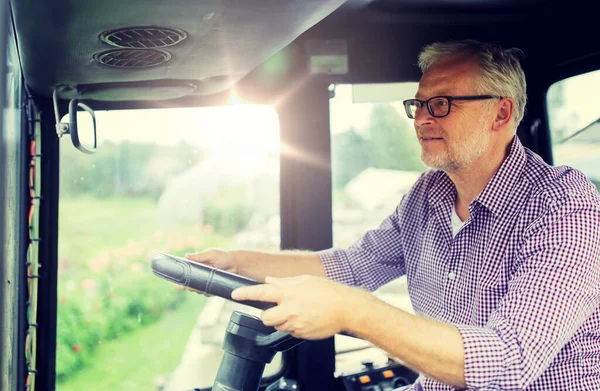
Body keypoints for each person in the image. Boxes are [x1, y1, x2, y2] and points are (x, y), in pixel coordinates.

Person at [186, 40, 600, 390]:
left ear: (501, 113)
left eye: (441, 104)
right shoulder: (426, 195)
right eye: (418, 105)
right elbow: (351, 266)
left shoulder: (564, 205)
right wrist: (237, 262)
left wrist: (355, 312)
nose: (421, 119)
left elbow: (510, 360)